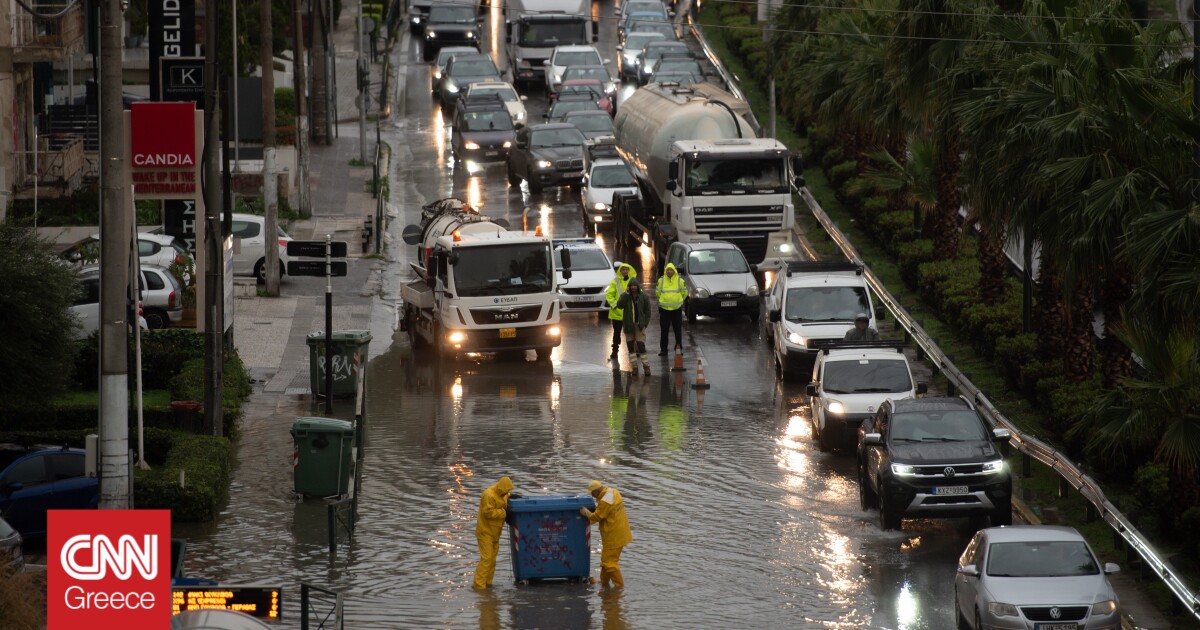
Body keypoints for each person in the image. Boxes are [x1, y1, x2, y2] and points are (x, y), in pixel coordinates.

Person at [580, 480, 632, 589]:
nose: (593, 497)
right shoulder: (614, 492)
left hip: (613, 536)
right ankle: (604, 583)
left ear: (597, 491)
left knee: (610, 563)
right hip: (621, 532)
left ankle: (619, 587)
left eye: (593, 494)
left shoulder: (604, 502)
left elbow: (595, 517)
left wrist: (586, 512)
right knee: (605, 560)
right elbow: (605, 513)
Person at [473, 476, 513, 589]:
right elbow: (488, 513)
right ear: (501, 488)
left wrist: (512, 497)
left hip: (495, 533)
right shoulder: (488, 495)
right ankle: (479, 586)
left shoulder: (504, 494)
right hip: (485, 532)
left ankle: (488, 584)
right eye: (506, 490)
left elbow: (506, 497)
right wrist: (504, 513)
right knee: (486, 559)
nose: (507, 493)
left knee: (492, 560)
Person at [616, 281, 652, 375]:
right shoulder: (626, 296)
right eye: (631, 286)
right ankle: (634, 367)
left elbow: (647, 311)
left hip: (639, 325)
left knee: (641, 346)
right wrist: (626, 294)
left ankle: (646, 367)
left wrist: (645, 323)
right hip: (629, 325)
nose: (633, 288)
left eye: (634, 286)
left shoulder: (643, 296)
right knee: (630, 347)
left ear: (637, 286)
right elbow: (619, 305)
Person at [605, 263, 638, 361]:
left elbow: (638, 294)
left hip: (628, 313)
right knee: (616, 333)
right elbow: (609, 295)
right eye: (623, 270)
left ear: (629, 270)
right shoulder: (615, 282)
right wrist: (615, 305)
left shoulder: (632, 282)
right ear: (620, 271)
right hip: (617, 314)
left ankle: (633, 351)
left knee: (631, 333)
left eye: (626, 269)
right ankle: (615, 351)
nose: (624, 271)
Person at [655, 263, 686, 356]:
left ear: (674, 271)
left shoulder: (680, 281)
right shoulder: (661, 280)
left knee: (678, 330)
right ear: (665, 271)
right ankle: (663, 350)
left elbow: (685, 292)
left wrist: (679, 301)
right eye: (668, 270)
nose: (669, 271)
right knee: (664, 331)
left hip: (676, 310)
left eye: (671, 270)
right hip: (664, 310)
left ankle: (678, 348)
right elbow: (658, 293)